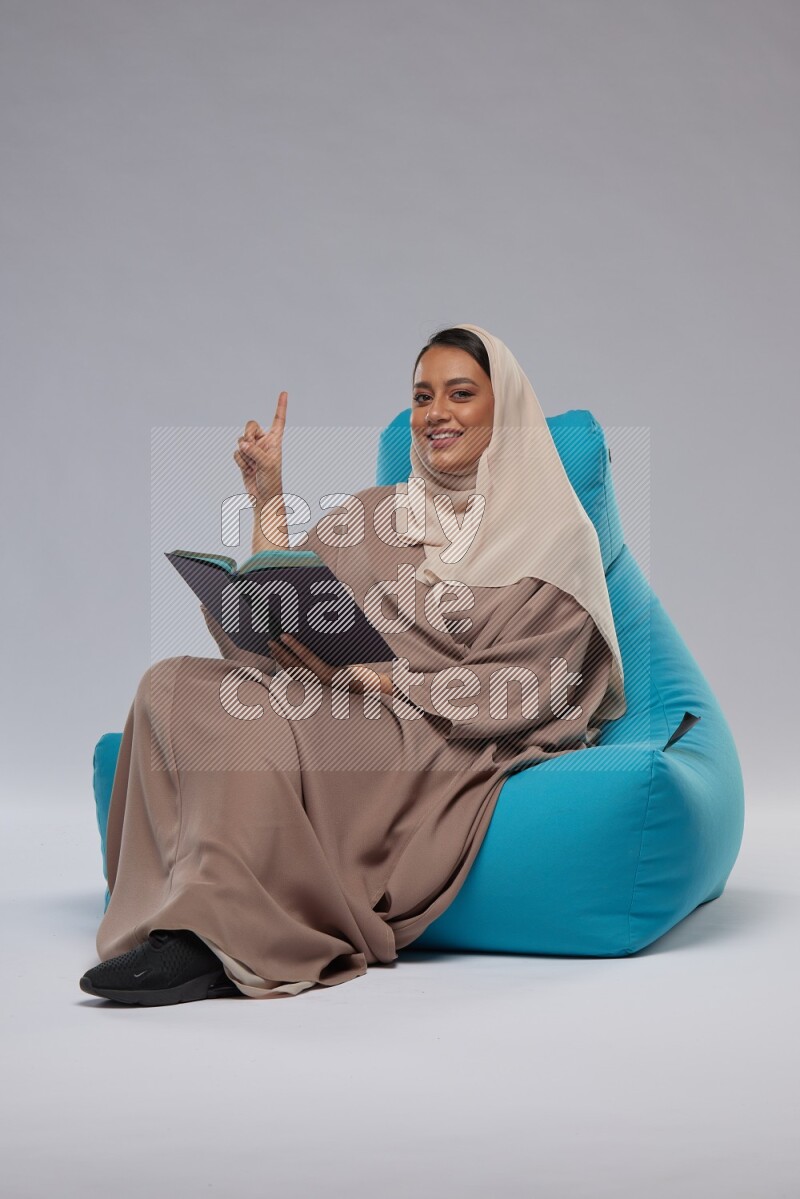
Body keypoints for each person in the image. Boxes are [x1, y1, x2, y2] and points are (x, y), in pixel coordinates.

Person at [79, 323, 626, 1006]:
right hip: (343, 700)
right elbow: (266, 638)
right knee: (170, 683)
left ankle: (221, 939)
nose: (436, 413)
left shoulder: (554, 534)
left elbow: (537, 683)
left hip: (438, 733)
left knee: (260, 719)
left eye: (461, 393)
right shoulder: (377, 515)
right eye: (423, 395)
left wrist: (389, 680)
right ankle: (176, 911)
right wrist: (268, 499)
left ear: (503, 408)